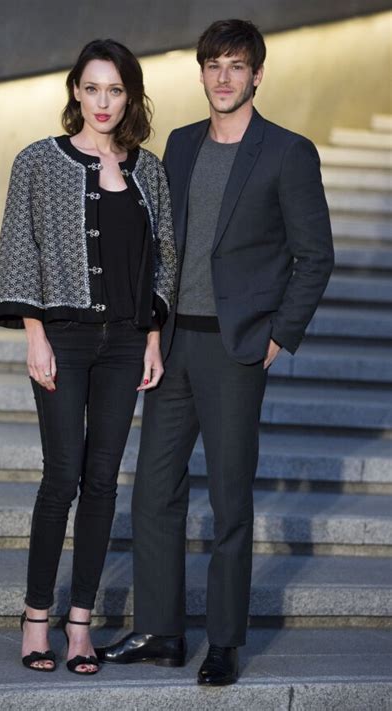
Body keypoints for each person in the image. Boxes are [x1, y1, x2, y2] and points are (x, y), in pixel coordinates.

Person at [96, 19, 334, 685]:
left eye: (236, 66)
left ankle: (225, 640)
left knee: (230, 500)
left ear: (257, 75)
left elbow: (315, 257)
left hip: (236, 349)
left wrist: (279, 336)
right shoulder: (181, 144)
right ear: (201, 73)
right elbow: (162, 245)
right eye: (213, 65)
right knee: (153, 492)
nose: (223, 77)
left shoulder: (288, 153)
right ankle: (161, 631)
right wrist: (148, 327)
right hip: (173, 342)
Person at [0, 38, 176, 675]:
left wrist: (152, 335)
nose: (103, 102)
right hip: (63, 340)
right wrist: (33, 332)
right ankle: (36, 616)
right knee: (62, 476)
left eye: (115, 90)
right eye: (92, 88)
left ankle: (80, 626)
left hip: (125, 345)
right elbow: (20, 250)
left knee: (101, 484)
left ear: (131, 96)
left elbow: (163, 260)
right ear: (75, 90)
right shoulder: (38, 162)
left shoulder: (149, 171)